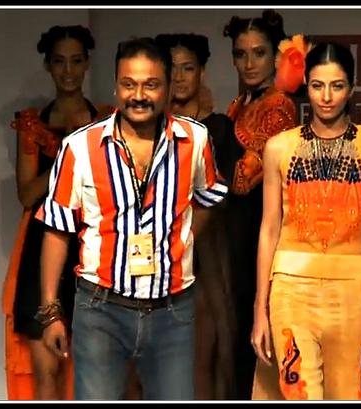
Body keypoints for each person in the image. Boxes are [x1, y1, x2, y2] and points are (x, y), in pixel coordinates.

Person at [34, 36, 227, 400]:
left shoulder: (195, 139)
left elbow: (206, 199)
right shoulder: (80, 147)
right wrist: (50, 312)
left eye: (150, 85)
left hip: (172, 311)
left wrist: (179, 239)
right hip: (100, 310)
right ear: (115, 86)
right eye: (129, 84)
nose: (138, 95)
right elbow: (57, 230)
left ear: (167, 88)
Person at [250, 41, 361, 400]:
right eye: (317, 85)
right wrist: (259, 307)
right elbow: (269, 229)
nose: (326, 97)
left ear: (351, 88)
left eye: (337, 86)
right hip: (290, 288)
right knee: (301, 393)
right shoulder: (278, 147)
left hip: (354, 290)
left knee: (351, 394)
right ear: (306, 86)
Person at [1, 25, 112, 400]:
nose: (68, 70)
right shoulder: (33, 124)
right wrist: (69, 157)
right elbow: (27, 193)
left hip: (93, 244)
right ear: (48, 66)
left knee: (95, 369)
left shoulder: (106, 120)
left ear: (87, 64)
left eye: (76, 61)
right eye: (60, 61)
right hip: (41, 245)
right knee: (46, 370)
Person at [155, 32, 237, 400]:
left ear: (202, 71)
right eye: (171, 68)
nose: (179, 76)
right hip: (146, 253)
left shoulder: (218, 128)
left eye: (187, 68)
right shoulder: (145, 126)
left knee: (201, 356)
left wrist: (182, 239)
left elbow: (218, 196)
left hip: (202, 251)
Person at [222, 9, 298, 399]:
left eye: (259, 53)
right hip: (237, 232)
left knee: (252, 341)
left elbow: (240, 181)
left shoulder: (278, 107)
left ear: (276, 57)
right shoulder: (241, 104)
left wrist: (212, 130)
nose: (249, 63)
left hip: (259, 232)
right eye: (241, 54)